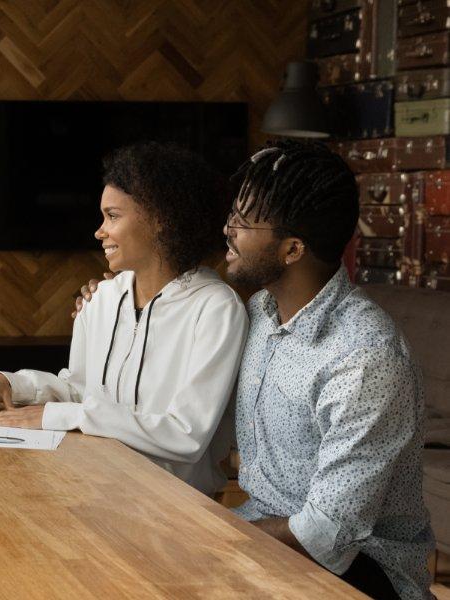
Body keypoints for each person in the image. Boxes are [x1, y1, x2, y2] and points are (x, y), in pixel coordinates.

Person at [76, 140, 435, 599]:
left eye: (243, 223)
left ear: (292, 249)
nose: (226, 230)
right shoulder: (263, 311)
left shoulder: (365, 359)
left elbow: (326, 534)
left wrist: (200, 538)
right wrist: (104, 300)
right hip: (259, 530)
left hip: (356, 571)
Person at [0, 141, 249, 496]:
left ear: (161, 219)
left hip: (178, 507)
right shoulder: (100, 299)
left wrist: (61, 416)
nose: (99, 231)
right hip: (95, 487)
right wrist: (13, 385)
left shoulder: (217, 310)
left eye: (112, 216)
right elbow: (80, 390)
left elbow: (186, 435)